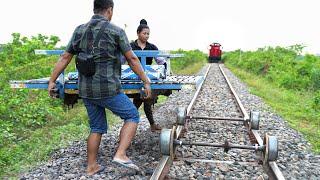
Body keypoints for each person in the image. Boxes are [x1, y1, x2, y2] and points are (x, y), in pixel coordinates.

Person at [47, 0, 151, 175]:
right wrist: (146, 80)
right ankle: (120, 153)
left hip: (86, 89)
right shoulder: (116, 31)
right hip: (108, 89)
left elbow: (65, 57)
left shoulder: (79, 29)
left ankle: (91, 166)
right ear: (110, 10)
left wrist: (52, 80)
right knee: (132, 115)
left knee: (96, 127)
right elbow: (132, 59)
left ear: (94, 9)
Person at [130, 19, 166, 132]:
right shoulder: (130, 46)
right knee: (141, 101)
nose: (146, 36)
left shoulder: (152, 47)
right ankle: (132, 126)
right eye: (144, 33)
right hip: (133, 76)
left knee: (144, 100)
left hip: (147, 78)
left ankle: (131, 126)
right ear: (138, 33)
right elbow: (122, 60)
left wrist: (165, 67)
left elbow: (160, 60)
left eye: (148, 34)